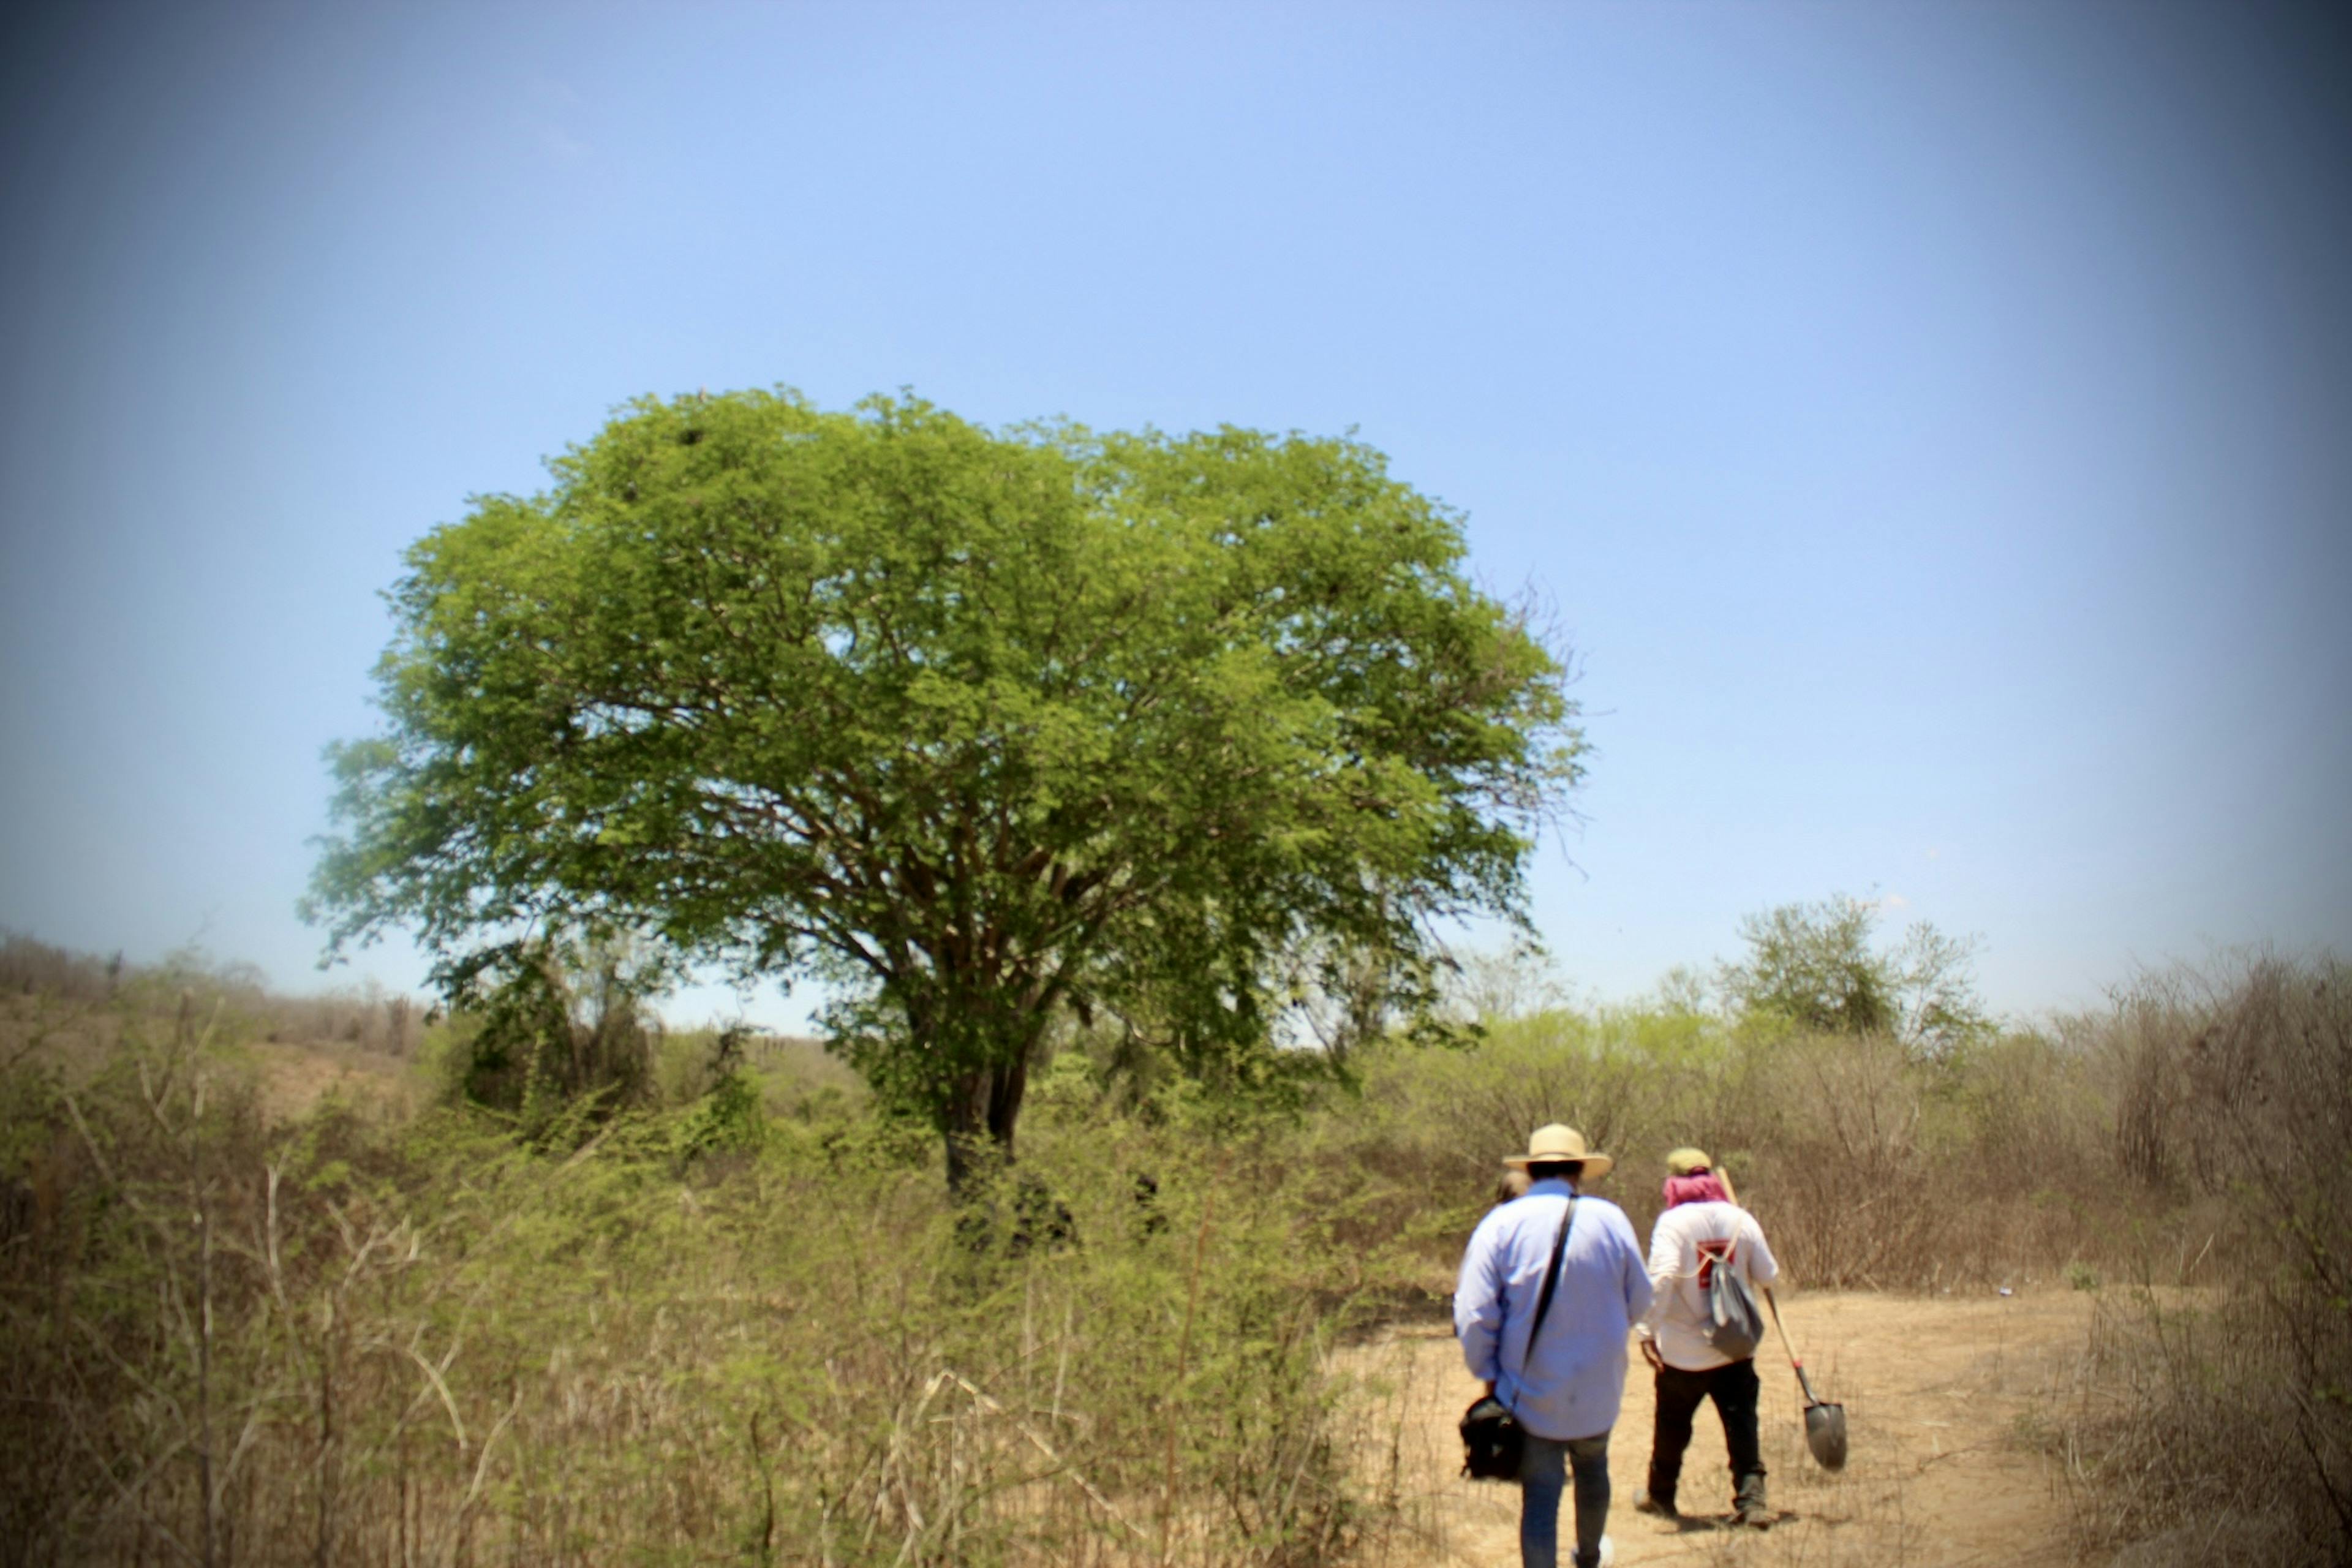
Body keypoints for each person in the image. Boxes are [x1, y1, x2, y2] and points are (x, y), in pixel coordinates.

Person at [1457, 1125, 1654, 1568]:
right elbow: (1642, 1299)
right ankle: (1588, 1557)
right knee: (1592, 1469)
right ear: (1579, 1171)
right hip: (1598, 1388)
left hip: (1530, 1392)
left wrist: (1488, 1372)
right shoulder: (1610, 1220)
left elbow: (1473, 1314)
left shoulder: (1500, 1224)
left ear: (1532, 1169)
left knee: (1542, 1493)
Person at [1633, 1147, 1780, 1528]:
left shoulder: (1672, 1223)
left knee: (1673, 1425)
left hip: (1684, 1353)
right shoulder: (1740, 1219)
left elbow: (1663, 1277)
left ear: (1673, 1183)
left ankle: (1661, 1497)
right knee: (1742, 1424)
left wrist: (1647, 1329)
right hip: (1735, 1348)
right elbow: (1769, 1275)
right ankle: (1752, 1501)